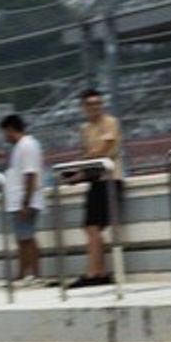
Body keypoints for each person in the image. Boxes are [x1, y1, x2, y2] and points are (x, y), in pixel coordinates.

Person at [71, 87, 123, 288]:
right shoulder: (85, 129)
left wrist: (86, 158)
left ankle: (94, 272)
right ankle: (98, 271)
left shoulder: (110, 123)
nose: (95, 107)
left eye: (98, 103)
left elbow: (105, 149)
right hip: (95, 180)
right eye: (90, 104)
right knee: (90, 227)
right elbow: (89, 157)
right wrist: (77, 175)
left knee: (93, 227)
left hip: (109, 179)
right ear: (83, 107)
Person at [0, 112, 47, 281]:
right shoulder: (20, 147)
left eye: (5, 132)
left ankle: (34, 274)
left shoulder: (27, 145)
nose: (4, 137)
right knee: (22, 239)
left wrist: (25, 202)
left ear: (11, 129)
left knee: (27, 238)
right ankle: (22, 274)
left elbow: (31, 175)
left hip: (25, 200)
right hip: (19, 200)